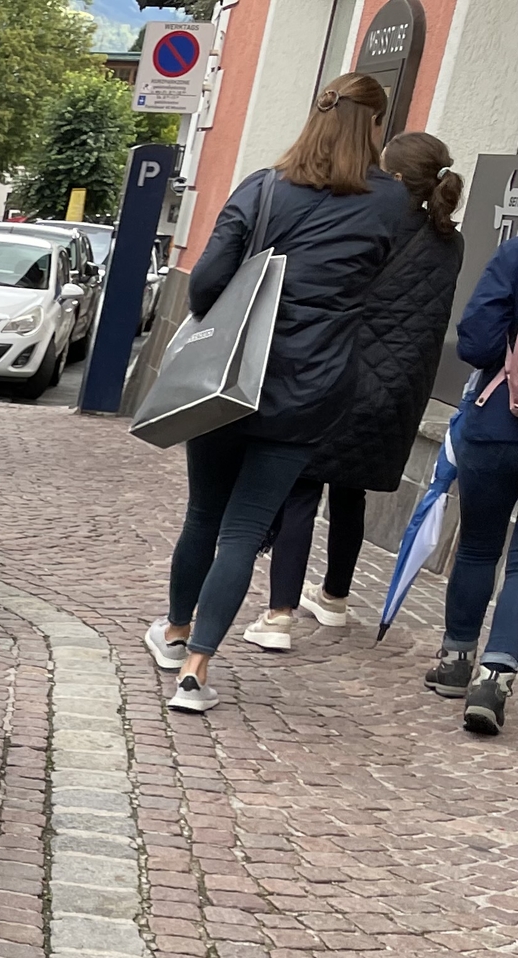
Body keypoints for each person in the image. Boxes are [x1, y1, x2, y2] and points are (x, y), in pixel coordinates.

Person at [141, 72, 407, 715]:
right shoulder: (392, 203)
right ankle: (197, 674)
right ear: (373, 126)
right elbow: (379, 281)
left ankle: (175, 633)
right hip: (314, 385)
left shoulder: (262, 188)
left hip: (231, 379)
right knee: (245, 529)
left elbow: (205, 283)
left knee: (204, 514)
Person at [245, 133, 464, 655]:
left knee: (300, 487)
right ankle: (336, 599)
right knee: (350, 491)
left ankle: (278, 616)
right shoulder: (449, 241)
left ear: (392, 176)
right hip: (395, 392)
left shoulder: (369, 219)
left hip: (336, 375)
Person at [439, 228, 518, 731]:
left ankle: (456, 660)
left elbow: (476, 340)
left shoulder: (514, 252)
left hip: (497, 425)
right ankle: (496, 675)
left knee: (477, 546)